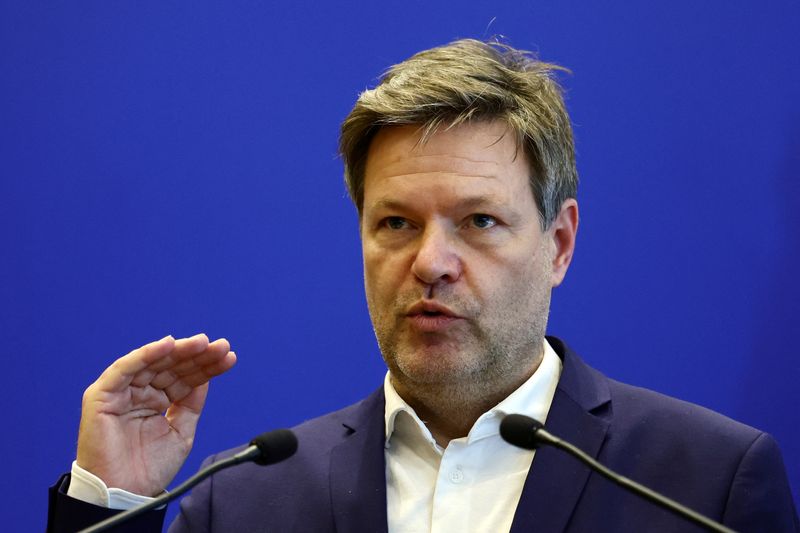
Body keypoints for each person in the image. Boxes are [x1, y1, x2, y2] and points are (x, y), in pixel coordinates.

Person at [48, 39, 798, 532]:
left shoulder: (706, 485)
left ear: (559, 243)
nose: (431, 261)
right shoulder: (242, 499)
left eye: (477, 220)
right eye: (397, 223)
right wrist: (111, 502)